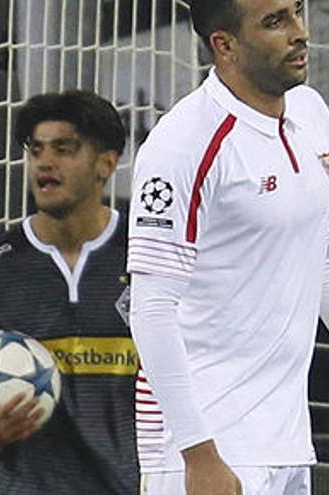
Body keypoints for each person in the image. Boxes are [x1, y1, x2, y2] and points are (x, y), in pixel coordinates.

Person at [127, 0, 328, 493]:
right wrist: (198, 454)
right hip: (205, 451)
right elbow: (150, 308)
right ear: (224, 45)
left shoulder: (311, 112)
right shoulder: (182, 144)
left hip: (285, 444)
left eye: (298, 12)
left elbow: (316, 259)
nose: (300, 33)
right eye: (275, 22)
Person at [0, 90, 137, 493]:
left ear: (106, 163)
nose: (45, 162)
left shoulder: (149, 256)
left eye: (64, 149)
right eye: (36, 150)